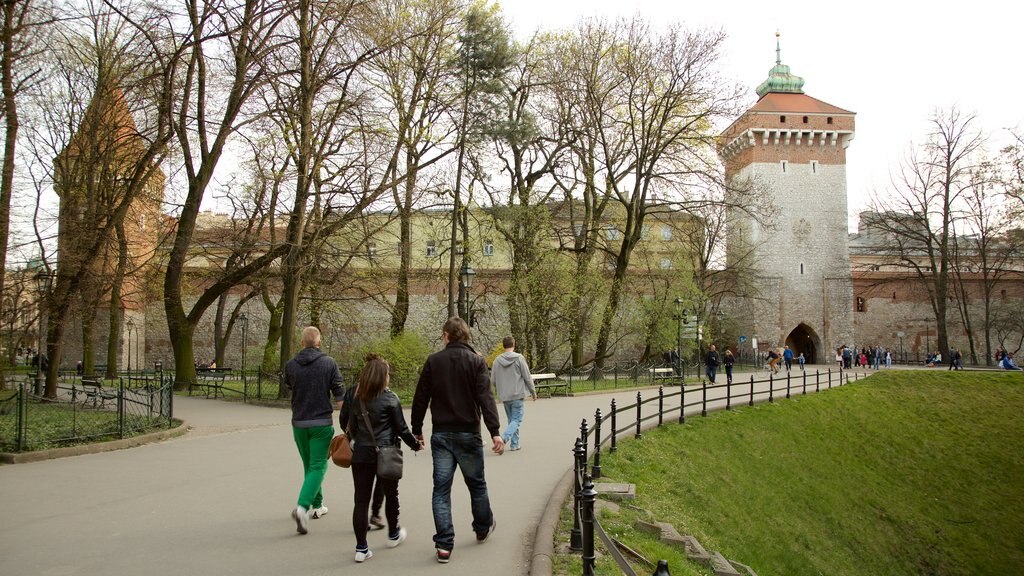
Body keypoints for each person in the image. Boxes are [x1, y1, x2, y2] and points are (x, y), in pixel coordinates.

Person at [411, 317, 503, 564]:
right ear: (465, 337)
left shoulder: (434, 361)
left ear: (446, 335)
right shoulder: (476, 362)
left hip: (441, 433)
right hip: (468, 432)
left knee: (441, 491)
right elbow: (486, 398)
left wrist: (417, 428)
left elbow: (421, 397)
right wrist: (494, 431)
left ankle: (443, 545)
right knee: (477, 484)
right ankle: (482, 527)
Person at [338, 354, 422, 563]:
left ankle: (361, 548)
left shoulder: (355, 396)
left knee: (360, 500)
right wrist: (415, 445)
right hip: (386, 452)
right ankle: (393, 534)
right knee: (391, 495)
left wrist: (356, 438)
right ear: (383, 377)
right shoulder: (390, 398)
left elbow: (346, 423)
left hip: (361, 453)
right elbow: (401, 428)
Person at [284, 326, 344, 535]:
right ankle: (302, 507)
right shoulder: (329, 363)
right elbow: (339, 396)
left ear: (302, 343)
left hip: (299, 422)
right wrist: (348, 425)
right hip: (321, 423)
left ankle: (318, 504)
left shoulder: (291, 365)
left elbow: (289, 386)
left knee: (309, 465)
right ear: (319, 343)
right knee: (318, 466)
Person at [491, 336, 537, 452]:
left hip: (505, 396)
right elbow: (527, 376)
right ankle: (504, 439)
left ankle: (515, 444)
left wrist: (500, 389)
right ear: (514, 345)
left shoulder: (497, 360)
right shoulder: (519, 358)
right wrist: (533, 392)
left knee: (512, 420)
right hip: (517, 394)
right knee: (517, 419)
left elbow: (493, 380)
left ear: (503, 345)